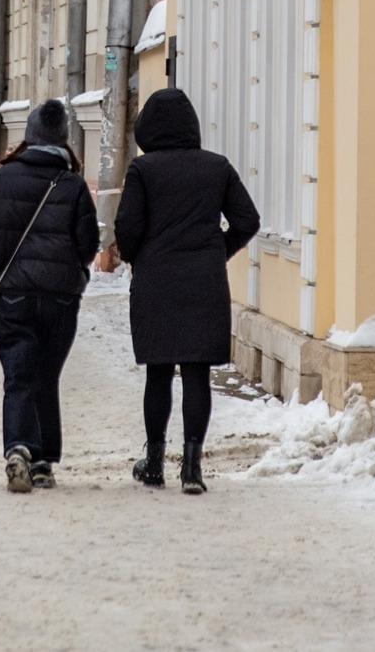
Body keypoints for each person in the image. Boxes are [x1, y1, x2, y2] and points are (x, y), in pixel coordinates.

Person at [114, 87, 261, 496]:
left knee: (158, 373)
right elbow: (247, 219)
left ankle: (155, 463)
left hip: (156, 282)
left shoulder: (143, 171)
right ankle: (193, 468)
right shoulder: (217, 168)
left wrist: (137, 256)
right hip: (204, 282)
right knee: (197, 373)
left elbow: (127, 229)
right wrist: (217, 252)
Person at [0, 99, 100, 494]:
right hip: (61, 296)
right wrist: (74, 270)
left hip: (15, 291)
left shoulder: (5, 177)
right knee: (47, 376)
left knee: (18, 376)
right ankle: (44, 461)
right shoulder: (73, 184)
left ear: (28, 136)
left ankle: (18, 448)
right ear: (64, 139)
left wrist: (2, 264)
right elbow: (88, 242)